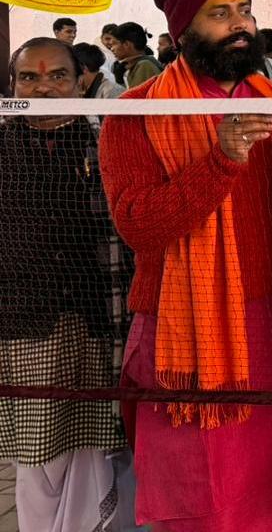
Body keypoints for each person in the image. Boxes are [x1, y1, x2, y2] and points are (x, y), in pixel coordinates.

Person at [97, 0, 272, 530]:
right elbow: (137, 225)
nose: (240, 26)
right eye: (220, 15)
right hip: (182, 327)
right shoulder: (137, 112)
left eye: (244, 11)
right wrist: (220, 160)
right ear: (181, 32)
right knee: (202, 493)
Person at [2, 37, 135, 532]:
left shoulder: (110, 140)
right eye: (29, 77)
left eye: (57, 75)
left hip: (103, 318)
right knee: (35, 456)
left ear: (81, 81)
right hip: (22, 325)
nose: (44, 88)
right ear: (13, 84)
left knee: (100, 447)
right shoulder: (2, 140)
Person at [111, 22, 163, 89]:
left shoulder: (144, 66)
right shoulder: (140, 64)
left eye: (114, 44)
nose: (112, 49)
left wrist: (119, 81)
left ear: (127, 44)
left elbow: (133, 98)